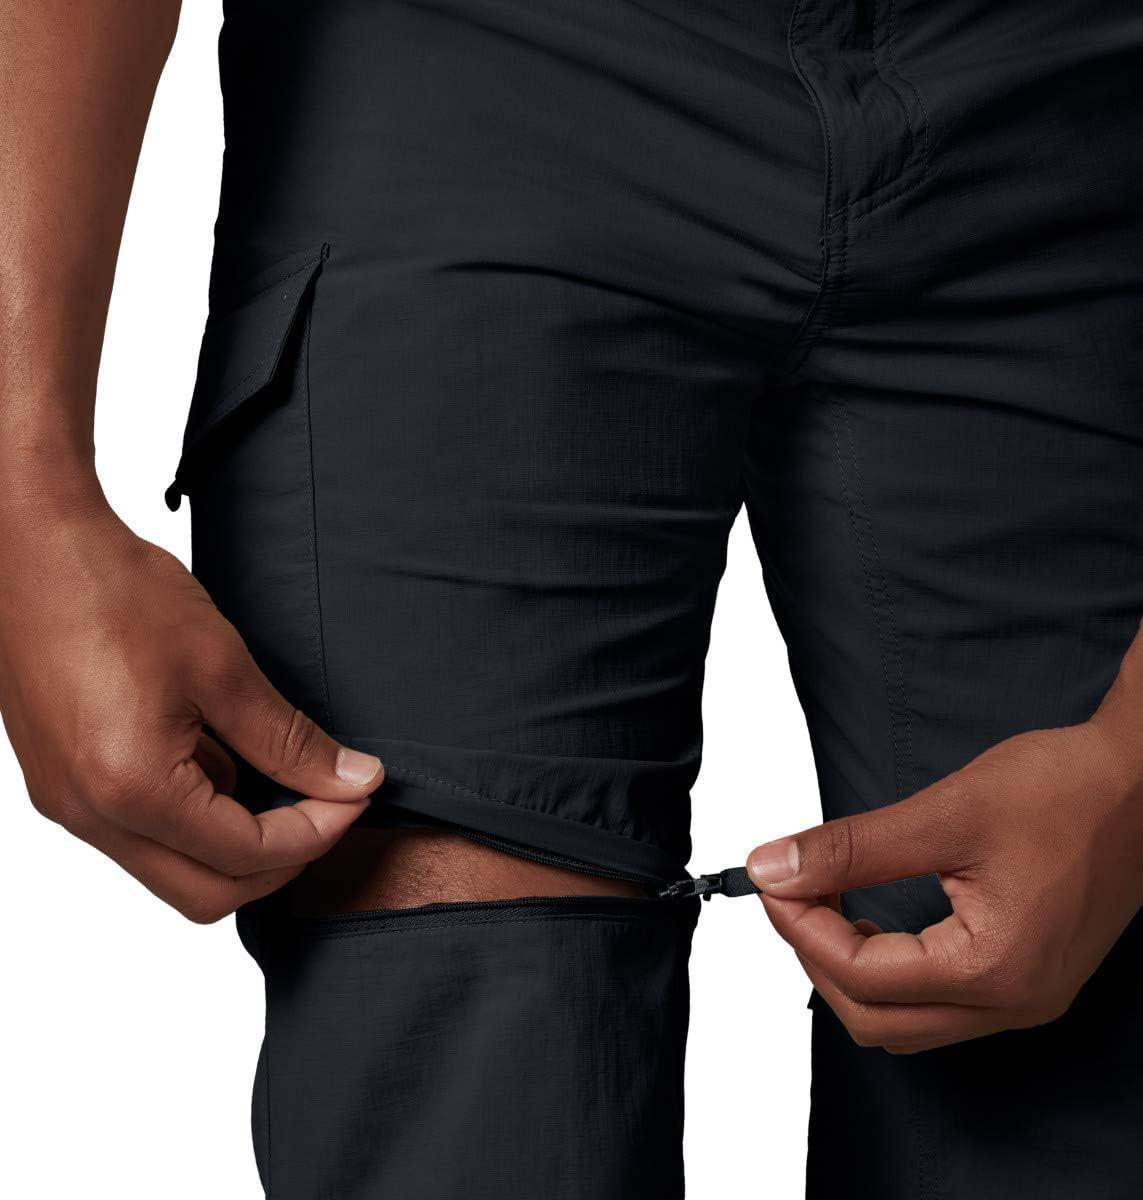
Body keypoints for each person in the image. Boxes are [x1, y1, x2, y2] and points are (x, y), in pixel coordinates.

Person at [2, 1, 1141, 1196]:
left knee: (1055, 1037)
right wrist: (28, 501)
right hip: (467, 74)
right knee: (473, 1072)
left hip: (1073, 112)